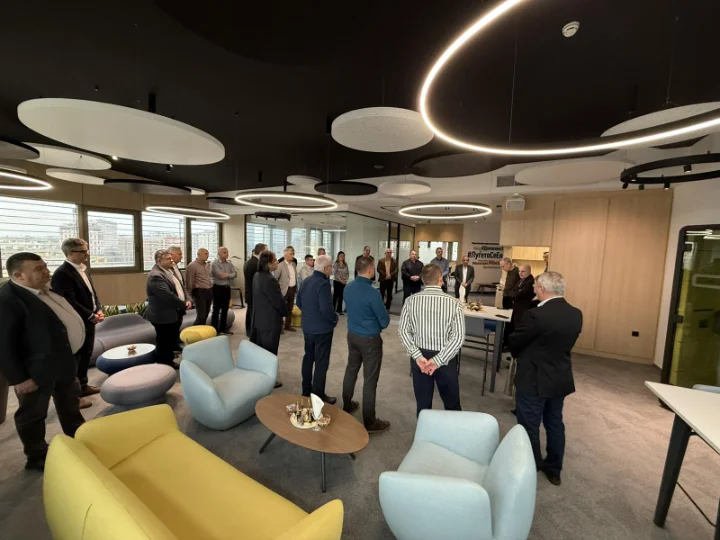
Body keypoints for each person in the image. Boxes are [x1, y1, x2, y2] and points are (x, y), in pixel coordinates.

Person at [0, 252, 87, 471]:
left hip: (62, 363)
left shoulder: (44, 290)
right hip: (36, 371)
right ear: (19, 275)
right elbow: (4, 344)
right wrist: (19, 379)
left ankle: (79, 438)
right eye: (39, 269)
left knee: (70, 404)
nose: (47, 271)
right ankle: (37, 455)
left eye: (45, 266)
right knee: (33, 414)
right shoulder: (8, 300)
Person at [509, 272, 582, 487]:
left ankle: (529, 467)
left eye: (535, 287)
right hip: (559, 378)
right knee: (554, 422)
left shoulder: (535, 315)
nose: (534, 290)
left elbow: (515, 341)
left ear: (541, 289)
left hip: (533, 379)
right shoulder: (576, 314)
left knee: (528, 425)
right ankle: (554, 469)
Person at [399, 264, 465, 416]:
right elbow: (458, 337)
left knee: (423, 405)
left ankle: (424, 430)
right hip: (446, 358)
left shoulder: (410, 301)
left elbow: (403, 331)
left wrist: (417, 356)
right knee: (452, 405)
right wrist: (438, 360)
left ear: (422, 280)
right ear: (441, 279)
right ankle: (456, 430)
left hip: (420, 359)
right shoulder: (454, 304)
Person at [51, 238, 104, 407]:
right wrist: (90, 315)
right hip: (76, 322)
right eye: (83, 251)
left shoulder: (83, 269)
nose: (87, 254)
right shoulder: (62, 273)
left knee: (86, 354)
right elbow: (68, 301)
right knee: (76, 358)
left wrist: (98, 309)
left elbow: (92, 294)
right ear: (70, 253)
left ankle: (83, 385)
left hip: (89, 319)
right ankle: (74, 396)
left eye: (86, 250)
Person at [342, 256, 391, 433]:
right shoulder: (373, 293)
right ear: (370, 270)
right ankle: (370, 422)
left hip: (352, 335)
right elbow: (384, 321)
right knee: (370, 379)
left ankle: (347, 405)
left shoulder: (348, 287)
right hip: (370, 340)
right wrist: (374, 324)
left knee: (351, 370)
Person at [296, 254, 338, 404]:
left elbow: (298, 302)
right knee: (321, 363)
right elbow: (326, 309)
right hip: (322, 330)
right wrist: (334, 318)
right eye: (331, 267)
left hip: (307, 328)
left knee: (308, 358)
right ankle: (318, 395)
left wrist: (309, 314)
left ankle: (306, 391)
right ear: (326, 268)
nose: (331, 270)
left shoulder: (306, 281)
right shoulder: (323, 284)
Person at [145, 249, 192, 369]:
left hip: (173, 312)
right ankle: (164, 365)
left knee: (170, 339)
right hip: (162, 315)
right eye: (168, 259)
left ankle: (168, 359)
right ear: (158, 261)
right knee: (164, 341)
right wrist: (183, 304)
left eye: (171, 258)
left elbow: (180, 287)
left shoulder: (169, 271)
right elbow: (168, 296)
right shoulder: (156, 276)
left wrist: (187, 300)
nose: (172, 260)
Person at [251, 251, 288, 389]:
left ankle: (261, 376)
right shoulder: (270, 280)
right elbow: (277, 301)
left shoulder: (257, 276)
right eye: (275, 260)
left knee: (261, 350)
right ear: (268, 264)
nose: (277, 262)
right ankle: (269, 380)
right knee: (270, 352)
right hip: (270, 321)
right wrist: (285, 313)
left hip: (259, 319)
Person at [168, 246, 191, 348]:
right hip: (173, 304)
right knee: (172, 326)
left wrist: (187, 299)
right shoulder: (166, 270)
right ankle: (172, 346)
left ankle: (175, 343)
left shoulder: (176, 267)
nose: (182, 256)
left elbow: (182, 285)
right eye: (179, 254)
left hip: (181, 303)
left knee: (178, 323)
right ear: (171, 255)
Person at [211, 246, 237, 335]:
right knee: (216, 309)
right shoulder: (214, 263)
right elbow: (220, 275)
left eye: (227, 252)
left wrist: (227, 275)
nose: (227, 254)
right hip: (217, 288)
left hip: (226, 288)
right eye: (224, 252)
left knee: (225, 309)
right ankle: (215, 329)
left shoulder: (229, 264)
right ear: (219, 254)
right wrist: (229, 275)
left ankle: (223, 328)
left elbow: (235, 274)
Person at [243, 243, 267, 336]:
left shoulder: (251, 261)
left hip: (252, 292)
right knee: (252, 313)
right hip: (253, 293)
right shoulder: (254, 263)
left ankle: (250, 330)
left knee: (251, 312)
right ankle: (250, 331)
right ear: (261, 252)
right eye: (266, 251)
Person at [185, 248, 213, 326]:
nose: (207, 255)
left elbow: (209, 278)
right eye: (205, 254)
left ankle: (202, 331)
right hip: (199, 292)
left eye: (208, 253)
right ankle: (193, 332)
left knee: (206, 314)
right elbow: (189, 283)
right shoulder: (192, 266)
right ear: (198, 254)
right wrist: (189, 298)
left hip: (209, 291)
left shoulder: (207, 265)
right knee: (201, 316)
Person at [274, 246, 298, 333]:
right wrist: (278, 290)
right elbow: (275, 279)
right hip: (283, 290)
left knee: (290, 309)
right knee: (281, 309)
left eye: (293, 254)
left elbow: (294, 277)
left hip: (292, 289)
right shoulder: (280, 265)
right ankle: (279, 327)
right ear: (285, 255)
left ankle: (288, 325)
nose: (292, 255)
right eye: (291, 254)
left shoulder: (294, 264)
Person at [511, 264, 535, 329]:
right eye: (519, 271)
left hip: (523, 308)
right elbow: (513, 290)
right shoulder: (521, 280)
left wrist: (516, 292)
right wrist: (516, 292)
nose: (520, 273)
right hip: (517, 307)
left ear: (529, 271)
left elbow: (519, 294)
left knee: (519, 326)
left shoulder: (530, 281)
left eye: (523, 271)